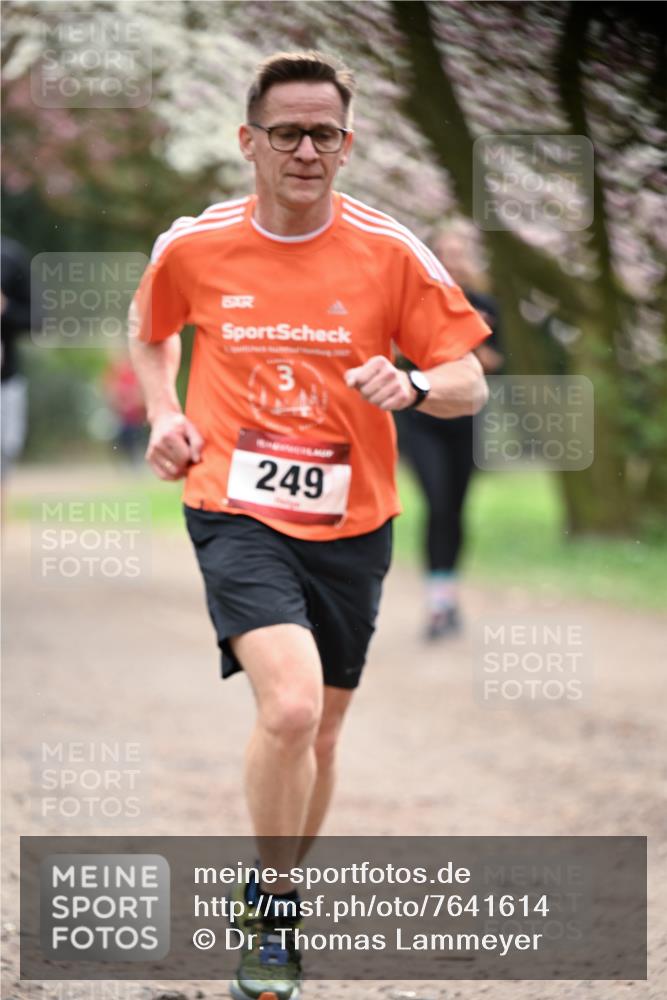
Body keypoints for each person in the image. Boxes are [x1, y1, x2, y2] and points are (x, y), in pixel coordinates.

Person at [129, 51, 490, 1000]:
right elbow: (151, 327)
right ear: (247, 141)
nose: (303, 149)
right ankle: (274, 916)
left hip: (353, 522)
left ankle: (277, 884)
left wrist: (412, 383)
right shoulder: (196, 245)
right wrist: (166, 413)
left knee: (320, 735)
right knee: (286, 707)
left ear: (347, 144)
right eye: (284, 132)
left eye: (321, 133)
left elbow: (467, 379)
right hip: (234, 505)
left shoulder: (389, 251)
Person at [397, 220, 504, 640]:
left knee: (456, 509)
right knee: (437, 502)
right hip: (421, 419)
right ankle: (437, 604)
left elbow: (495, 365)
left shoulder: (483, 303)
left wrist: (471, 333)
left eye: (459, 252)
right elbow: (398, 353)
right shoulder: (416, 299)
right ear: (433, 257)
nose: (452, 260)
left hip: (467, 421)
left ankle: (448, 592)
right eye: (445, 252)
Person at [1, 236, 32, 483]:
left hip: (4, 382)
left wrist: (6, 309)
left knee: (2, 461)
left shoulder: (9, 257)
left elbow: (40, 319)